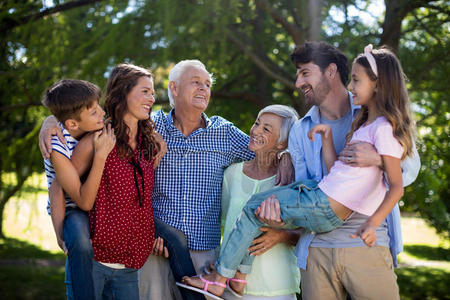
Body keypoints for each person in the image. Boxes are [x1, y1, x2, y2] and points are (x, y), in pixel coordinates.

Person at [39, 60, 294, 300]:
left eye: (208, 84)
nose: (204, 88)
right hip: (150, 249)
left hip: (202, 253)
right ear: (174, 88)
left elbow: (266, 146)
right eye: (196, 81)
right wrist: (51, 121)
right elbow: (86, 115)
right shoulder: (150, 126)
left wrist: (286, 156)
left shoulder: (223, 133)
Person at [181, 45, 416, 299]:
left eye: (305, 73)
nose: (297, 83)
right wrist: (284, 219)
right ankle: (235, 276)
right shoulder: (300, 130)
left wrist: (378, 159)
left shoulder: (374, 117)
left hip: (365, 244)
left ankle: (221, 277)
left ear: (331, 72)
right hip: (317, 248)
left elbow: (409, 169)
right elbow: (316, 184)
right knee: (260, 207)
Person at [42, 79, 116, 300]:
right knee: (81, 245)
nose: (102, 113)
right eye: (94, 112)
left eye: (98, 106)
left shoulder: (88, 125)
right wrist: (59, 233)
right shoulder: (57, 147)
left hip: (97, 199)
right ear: (73, 124)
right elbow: (62, 193)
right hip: (71, 207)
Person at [219, 105, 301, 300]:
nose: (255, 131)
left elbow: (310, 233)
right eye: (257, 123)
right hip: (231, 288)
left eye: (266, 128)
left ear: (282, 143)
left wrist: (282, 236)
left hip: (277, 287)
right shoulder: (232, 174)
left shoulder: (292, 180)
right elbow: (224, 228)